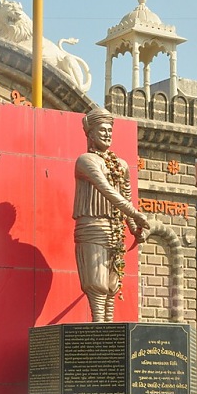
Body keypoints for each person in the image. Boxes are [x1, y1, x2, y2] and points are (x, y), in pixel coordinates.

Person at [73, 107, 150, 322]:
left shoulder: (121, 165)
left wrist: (135, 228)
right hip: (92, 226)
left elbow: (126, 194)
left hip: (115, 230)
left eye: (110, 130)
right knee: (96, 282)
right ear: (90, 133)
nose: (107, 134)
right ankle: (98, 330)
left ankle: (109, 334)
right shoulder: (86, 161)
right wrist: (137, 214)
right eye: (102, 130)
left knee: (112, 285)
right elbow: (106, 189)